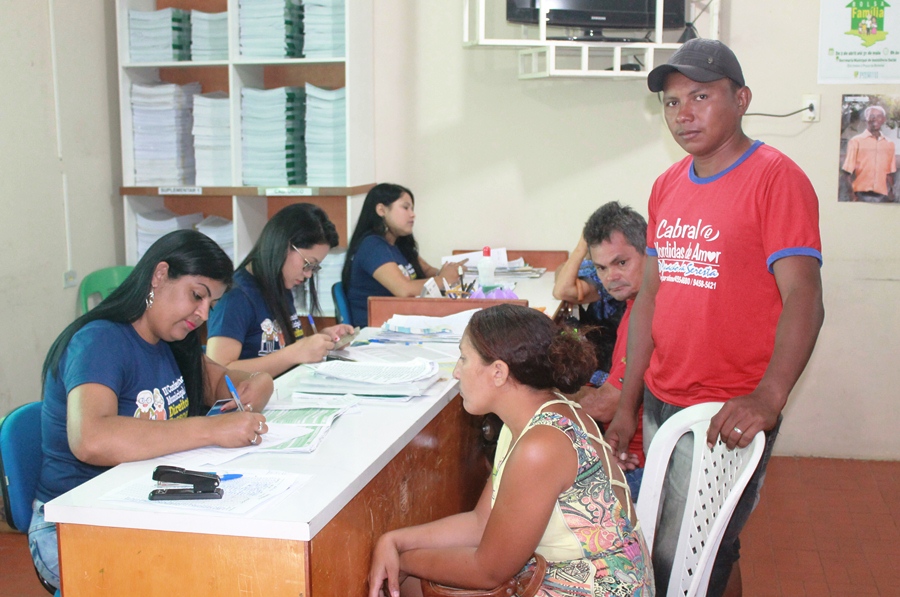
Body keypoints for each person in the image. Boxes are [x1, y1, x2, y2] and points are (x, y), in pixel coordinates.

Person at [605, 39, 824, 597]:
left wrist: (768, 398)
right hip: (662, 399)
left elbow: (804, 298)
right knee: (697, 545)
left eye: (700, 96)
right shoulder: (668, 185)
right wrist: (629, 404)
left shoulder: (777, 179)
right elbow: (651, 299)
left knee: (685, 553)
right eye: (673, 103)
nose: (683, 114)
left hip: (728, 409)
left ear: (742, 99)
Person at [30, 230, 275, 589]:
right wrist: (210, 429)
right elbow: (91, 439)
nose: (203, 314)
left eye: (212, 305)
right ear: (160, 275)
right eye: (197, 295)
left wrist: (259, 381)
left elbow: (225, 383)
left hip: (141, 509)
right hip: (73, 525)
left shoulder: (172, 339)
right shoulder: (99, 341)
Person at [368, 304, 653, 597]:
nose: (456, 372)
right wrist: (395, 541)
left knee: (408, 585)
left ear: (499, 372)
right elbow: (482, 523)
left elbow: (488, 571)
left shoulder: (540, 446)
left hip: (601, 587)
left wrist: (405, 562)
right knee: (410, 584)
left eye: (464, 358)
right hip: (580, 573)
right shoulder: (531, 419)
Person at [556, 202, 649, 500]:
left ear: (649, 252)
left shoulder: (645, 316)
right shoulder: (637, 303)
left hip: (637, 467)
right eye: (601, 268)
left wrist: (535, 398)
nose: (611, 277)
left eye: (622, 263)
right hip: (624, 448)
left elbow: (606, 406)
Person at [206, 203, 354, 377]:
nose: (308, 275)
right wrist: (294, 354)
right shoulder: (236, 298)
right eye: (308, 264)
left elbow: (281, 349)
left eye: (314, 268)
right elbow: (218, 371)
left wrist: (321, 341)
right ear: (284, 246)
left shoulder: (280, 285)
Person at [342, 183, 464, 326]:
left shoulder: (399, 244)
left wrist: (448, 272)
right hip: (377, 328)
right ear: (381, 210)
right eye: (405, 207)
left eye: (412, 209)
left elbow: (427, 271)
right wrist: (443, 279)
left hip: (400, 321)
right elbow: (404, 290)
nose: (412, 214)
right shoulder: (372, 246)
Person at [841, 105, 896, 203]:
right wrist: (852, 196)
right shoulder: (856, 141)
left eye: (879, 116)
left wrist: (891, 194)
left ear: (883, 119)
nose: (874, 119)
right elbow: (847, 173)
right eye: (871, 116)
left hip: (882, 196)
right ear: (866, 119)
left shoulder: (889, 144)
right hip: (860, 194)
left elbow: (889, 174)